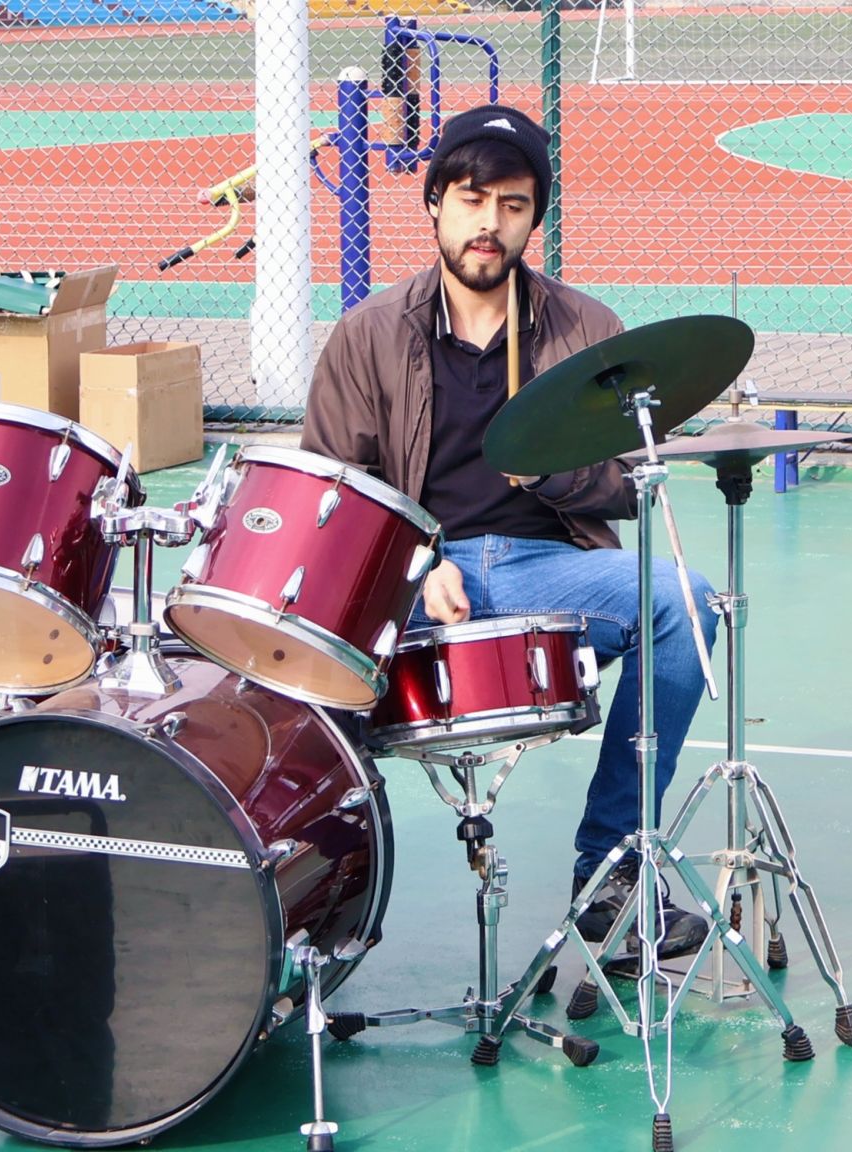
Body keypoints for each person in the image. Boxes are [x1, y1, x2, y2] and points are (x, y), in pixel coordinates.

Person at [302, 104, 720, 961]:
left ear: (536, 219)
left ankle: (612, 876)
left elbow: (628, 483)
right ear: (434, 204)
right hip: (412, 582)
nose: (489, 223)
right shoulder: (368, 333)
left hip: (544, 568)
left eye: (513, 204)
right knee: (283, 649)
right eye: (470, 199)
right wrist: (414, 562)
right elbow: (331, 493)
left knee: (685, 601)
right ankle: (305, 891)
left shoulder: (586, 330)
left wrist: (552, 471)